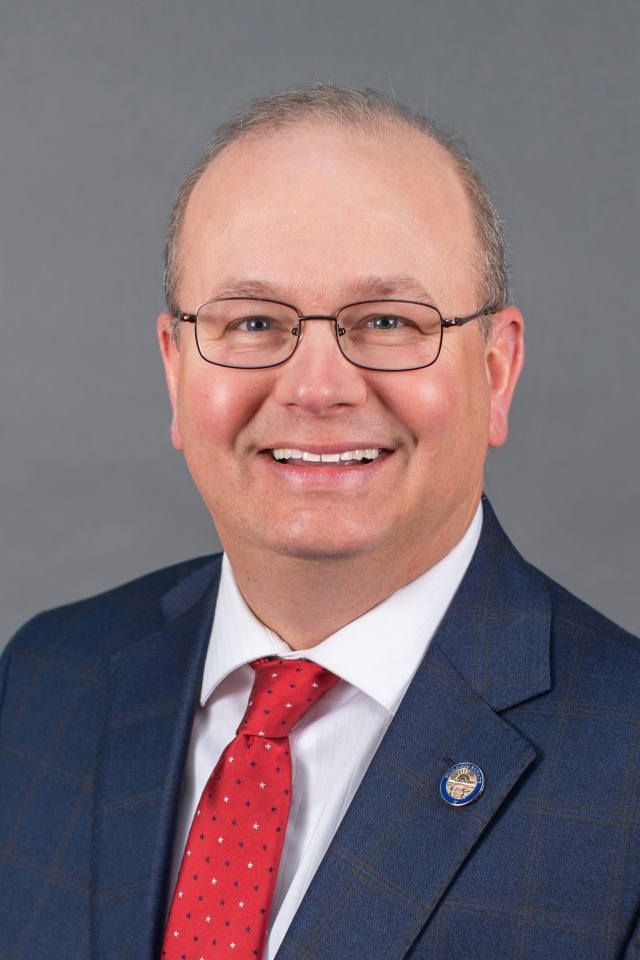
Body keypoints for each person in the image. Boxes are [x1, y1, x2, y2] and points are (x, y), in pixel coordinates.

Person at [1, 85, 639, 960]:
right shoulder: (40, 684)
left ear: (497, 370)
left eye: (386, 322)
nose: (317, 388)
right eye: (254, 322)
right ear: (176, 372)